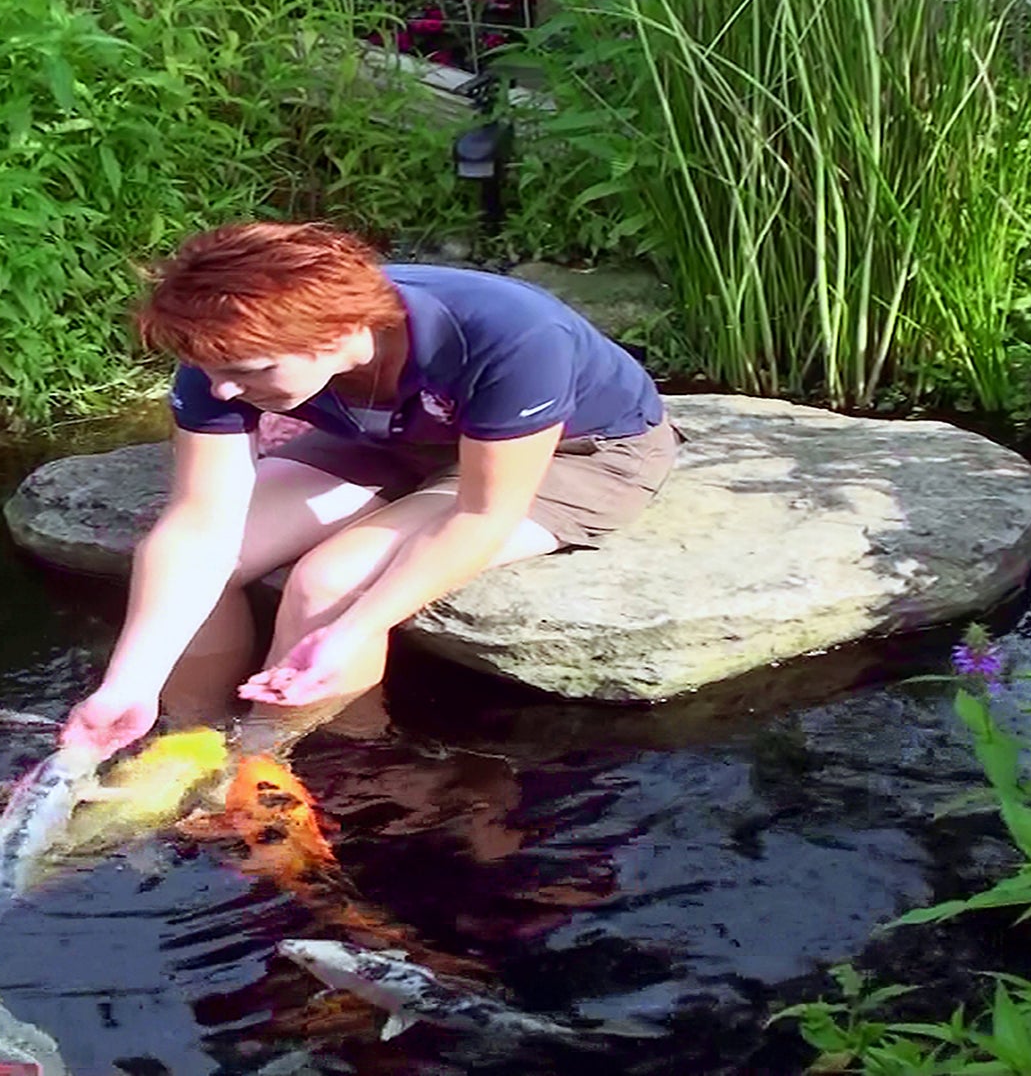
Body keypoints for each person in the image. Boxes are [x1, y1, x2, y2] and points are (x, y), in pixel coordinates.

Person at [57, 221, 679, 759]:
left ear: (333, 334)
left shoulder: (512, 334)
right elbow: (200, 526)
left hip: (575, 455)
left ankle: (284, 761)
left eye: (246, 375)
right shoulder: (229, 354)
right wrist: (127, 682)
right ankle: (187, 738)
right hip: (389, 437)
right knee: (205, 560)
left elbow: (482, 514)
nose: (220, 391)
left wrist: (353, 630)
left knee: (329, 582)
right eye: (213, 373)